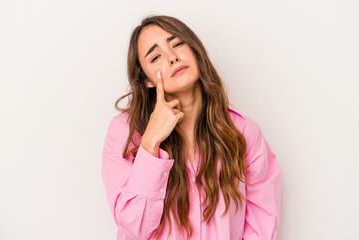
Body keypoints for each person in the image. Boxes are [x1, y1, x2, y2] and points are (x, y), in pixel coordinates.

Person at [101, 14, 281, 240]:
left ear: (195, 51)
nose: (172, 57)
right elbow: (133, 228)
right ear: (145, 79)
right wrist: (150, 143)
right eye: (156, 56)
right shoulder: (124, 133)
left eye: (177, 44)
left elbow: (261, 227)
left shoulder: (244, 133)